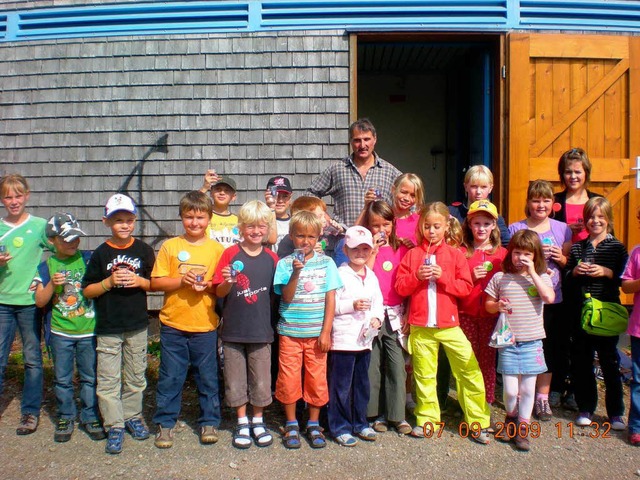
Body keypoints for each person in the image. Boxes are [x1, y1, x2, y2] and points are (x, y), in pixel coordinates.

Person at [395, 202, 491, 443]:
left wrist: (444, 278)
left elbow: (465, 287)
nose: (431, 231)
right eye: (427, 226)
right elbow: (400, 287)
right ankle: (427, 420)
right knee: (424, 376)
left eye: (437, 226)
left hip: (450, 326)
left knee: (468, 371)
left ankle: (477, 422)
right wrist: (417, 277)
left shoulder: (455, 254)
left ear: (446, 226)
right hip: (421, 327)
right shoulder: (413, 254)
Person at [151, 191, 224, 449]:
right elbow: (156, 282)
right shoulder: (171, 246)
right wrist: (182, 280)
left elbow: (221, 287)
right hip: (173, 324)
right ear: (181, 217)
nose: (195, 223)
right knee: (171, 377)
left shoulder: (217, 250)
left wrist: (208, 286)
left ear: (210, 218)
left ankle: (209, 421)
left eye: (200, 217)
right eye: (189, 217)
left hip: (205, 325)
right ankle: (166, 423)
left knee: (207, 377)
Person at [82, 193, 155, 454]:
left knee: (136, 375)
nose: (124, 225)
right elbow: (87, 291)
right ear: (106, 222)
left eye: (128, 219)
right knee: (109, 378)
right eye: (117, 220)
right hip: (109, 326)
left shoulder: (144, 250)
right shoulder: (101, 254)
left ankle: (132, 416)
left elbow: (155, 283)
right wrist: (108, 283)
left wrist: (140, 282)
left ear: (135, 220)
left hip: (136, 323)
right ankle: (114, 424)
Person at [273, 211, 342, 449]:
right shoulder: (284, 263)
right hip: (290, 332)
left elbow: (330, 299)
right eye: (301, 235)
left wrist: (326, 332)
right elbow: (287, 296)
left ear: (318, 236)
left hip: (316, 334)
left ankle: (313, 423)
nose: (306, 241)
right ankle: (291, 422)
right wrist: (296, 272)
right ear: (292, 236)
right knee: (289, 378)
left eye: (311, 236)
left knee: (316, 379)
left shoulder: (327, 263)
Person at [213, 200, 278, 449]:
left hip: (262, 330)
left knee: (261, 380)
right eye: (250, 226)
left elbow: (275, 295)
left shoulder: (272, 257)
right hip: (232, 330)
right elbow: (219, 291)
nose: (256, 231)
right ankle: (242, 421)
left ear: (268, 228)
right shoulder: (229, 254)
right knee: (235, 378)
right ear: (240, 227)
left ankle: (258, 420)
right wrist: (228, 281)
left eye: (261, 226)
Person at [34, 213, 103, 443]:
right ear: (52, 241)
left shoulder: (88, 259)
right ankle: (65, 415)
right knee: (62, 378)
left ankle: (90, 414)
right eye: (67, 239)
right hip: (60, 332)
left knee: (89, 376)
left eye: (76, 237)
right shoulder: (46, 266)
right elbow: (40, 301)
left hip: (88, 329)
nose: (73, 242)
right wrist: (53, 284)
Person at [485, 229, 555, 452]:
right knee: (510, 390)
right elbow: (488, 304)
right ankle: (510, 417)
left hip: (532, 342)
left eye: (527, 254)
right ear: (510, 253)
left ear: (535, 256)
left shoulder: (542, 277)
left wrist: (533, 272)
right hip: (508, 342)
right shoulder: (500, 277)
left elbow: (549, 298)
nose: (521, 258)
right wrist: (497, 306)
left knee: (527, 390)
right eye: (517, 252)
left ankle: (523, 428)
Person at [508, 180, 572, 420]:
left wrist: (561, 258)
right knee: (523, 347)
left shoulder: (562, 228)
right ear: (528, 202)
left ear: (553, 204)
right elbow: (509, 263)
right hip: (524, 301)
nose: (541, 205)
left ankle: (542, 398)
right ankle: (524, 394)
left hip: (552, 300)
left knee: (549, 349)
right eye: (536, 200)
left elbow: (568, 263)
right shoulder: (516, 228)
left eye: (546, 200)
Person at [564, 197, 628, 430]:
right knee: (582, 361)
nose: (595, 221)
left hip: (607, 311)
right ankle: (586, 407)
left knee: (610, 362)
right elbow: (567, 279)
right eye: (591, 217)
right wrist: (575, 272)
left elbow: (625, 280)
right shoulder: (579, 247)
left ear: (608, 220)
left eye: (601, 217)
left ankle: (616, 413)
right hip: (582, 312)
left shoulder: (617, 247)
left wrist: (606, 271)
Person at [0, 174, 48, 435]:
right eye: (8, 196)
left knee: (32, 358)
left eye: (18, 195)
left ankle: (30, 411)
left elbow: (61, 251)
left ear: (27, 195)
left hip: (29, 302)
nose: (14, 201)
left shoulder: (39, 225)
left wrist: (43, 278)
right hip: (2, 302)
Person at [329, 226, 384, 447]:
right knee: (341, 386)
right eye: (355, 249)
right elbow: (331, 306)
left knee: (362, 384)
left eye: (365, 249)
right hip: (343, 340)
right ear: (345, 249)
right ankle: (339, 426)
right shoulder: (339, 274)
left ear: (371, 250)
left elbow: (378, 304)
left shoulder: (371, 276)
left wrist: (377, 319)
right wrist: (351, 305)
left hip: (364, 341)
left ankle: (359, 423)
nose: (360, 253)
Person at [360, 201, 412, 434]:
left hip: (395, 312)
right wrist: (373, 250)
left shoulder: (402, 249)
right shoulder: (366, 250)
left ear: (394, 223)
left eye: (386, 224)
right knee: (373, 365)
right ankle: (374, 414)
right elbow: (365, 274)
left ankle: (397, 414)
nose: (381, 229)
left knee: (396, 364)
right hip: (372, 314)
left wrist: (409, 312)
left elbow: (409, 283)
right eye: (375, 225)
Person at [306, 118, 402, 228]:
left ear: (374, 139)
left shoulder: (390, 172)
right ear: (351, 141)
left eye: (367, 139)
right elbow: (310, 194)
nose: (362, 145)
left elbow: (410, 202)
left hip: (378, 239)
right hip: (344, 239)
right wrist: (325, 218)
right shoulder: (338, 169)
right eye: (357, 140)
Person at [458, 200, 507, 405]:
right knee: (467, 360)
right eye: (477, 223)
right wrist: (469, 275)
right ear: (469, 224)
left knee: (487, 361)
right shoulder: (461, 251)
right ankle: (467, 402)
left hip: (490, 315)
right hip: (465, 314)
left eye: (486, 224)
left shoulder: (501, 254)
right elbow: (452, 282)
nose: (481, 228)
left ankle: (485, 401)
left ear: (494, 225)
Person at [448, 165, 510, 246]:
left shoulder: (495, 218)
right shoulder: (452, 213)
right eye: (474, 186)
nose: (478, 192)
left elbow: (507, 245)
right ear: (465, 186)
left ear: (490, 188)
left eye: (483, 187)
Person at [553, 148, 601, 243]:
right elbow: (543, 231)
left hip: (592, 255)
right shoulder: (554, 201)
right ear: (562, 174)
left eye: (577, 172)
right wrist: (566, 230)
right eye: (568, 172)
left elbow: (608, 233)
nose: (573, 177)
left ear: (586, 173)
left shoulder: (598, 200)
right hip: (562, 255)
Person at [621, 211, 640, 446]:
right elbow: (626, 286)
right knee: (638, 380)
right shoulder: (636, 252)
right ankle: (636, 426)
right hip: (638, 329)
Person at [202, 173, 240, 248]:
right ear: (211, 193)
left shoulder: (238, 220)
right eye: (218, 189)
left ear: (233, 197)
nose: (222, 193)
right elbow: (191, 205)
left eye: (227, 190)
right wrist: (204, 187)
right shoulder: (203, 216)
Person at [264, 176, 293, 252]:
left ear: (290, 198)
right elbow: (270, 240)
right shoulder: (262, 221)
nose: (280, 200)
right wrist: (271, 207)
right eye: (276, 196)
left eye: (285, 196)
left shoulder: (296, 222)